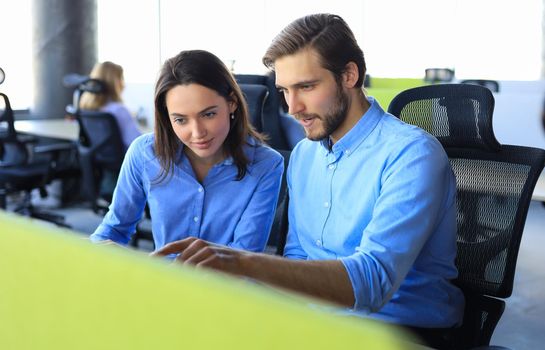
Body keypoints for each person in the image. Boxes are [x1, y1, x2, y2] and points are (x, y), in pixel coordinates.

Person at [152, 14, 464, 347]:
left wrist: (242, 263)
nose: (292, 107)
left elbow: (371, 283)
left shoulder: (411, 154)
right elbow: (299, 258)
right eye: (285, 90)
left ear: (349, 75)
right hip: (318, 324)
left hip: (397, 331)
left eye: (306, 87)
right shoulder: (304, 155)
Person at [90, 50, 284, 253]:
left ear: (232, 103)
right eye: (180, 120)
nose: (197, 133)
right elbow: (114, 229)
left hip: (222, 283)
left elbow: (245, 256)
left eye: (208, 114)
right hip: (161, 279)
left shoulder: (266, 164)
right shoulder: (145, 152)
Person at [79, 61, 141, 150]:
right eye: (121, 78)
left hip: (97, 160)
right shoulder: (118, 110)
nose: (124, 83)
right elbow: (137, 143)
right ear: (115, 82)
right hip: (123, 162)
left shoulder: (85, 108)